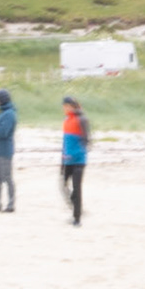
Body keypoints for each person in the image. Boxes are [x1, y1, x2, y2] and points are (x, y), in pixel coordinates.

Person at [60, 96, 89, 226]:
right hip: (67, 160)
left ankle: (77, 218)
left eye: (67, 106)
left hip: (79, 161)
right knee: (63, 186)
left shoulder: (82, 119)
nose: (64, 108)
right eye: (64, 106)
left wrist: (74, 154)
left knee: (77, 188)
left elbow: (87, 142)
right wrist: (63, 159)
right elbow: (64, 143)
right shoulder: (66, 121)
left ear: (72, 106)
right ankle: (77, 207)